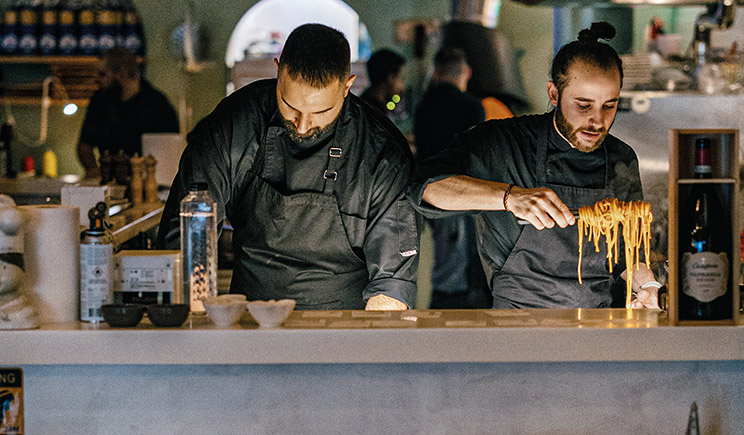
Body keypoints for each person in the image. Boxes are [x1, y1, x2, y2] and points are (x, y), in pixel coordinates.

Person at [159, 23, 418, 310]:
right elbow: (183, 242)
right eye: (290, 107)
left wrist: (366, 342)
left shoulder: (380, 151)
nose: (304, 125)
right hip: (249, 323)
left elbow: (392, 284)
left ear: (347, 86)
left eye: (321, 112)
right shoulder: (233, 126)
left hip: (346, 329)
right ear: (278, 70)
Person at [413, 22, 660, 309]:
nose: (598, 121)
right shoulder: (503, 143)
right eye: (583, 105)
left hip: (596, 324)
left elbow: (630, 255)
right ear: (554, 94)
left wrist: (646, 285)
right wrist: (509, 197)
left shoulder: (621, 158)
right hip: (517, 326)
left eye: (609, 105)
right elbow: (425, 187)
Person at [413, 45, 489, 308]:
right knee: (457, 271)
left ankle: (443, 316)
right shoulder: (471, 107)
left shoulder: (423, 106)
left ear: (436, 73)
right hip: (462, 194)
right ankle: (453, 319)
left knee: (446, 266)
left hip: (427, 193)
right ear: (465, 72)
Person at [77, 48, 178, 177]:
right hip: (110, 181)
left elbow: (169, 152)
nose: (98, 80)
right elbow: (84, 145)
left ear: (121, 74)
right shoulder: (100, 101)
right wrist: (93, 170)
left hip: (147, 183)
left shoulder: (158, 106)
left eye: (103, 74)